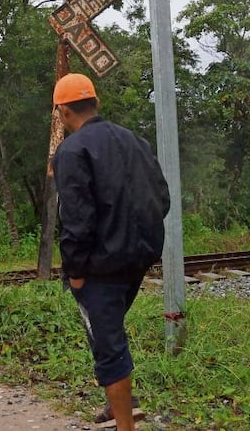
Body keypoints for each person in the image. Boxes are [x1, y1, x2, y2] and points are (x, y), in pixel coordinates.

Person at [51, 73, 170, 431]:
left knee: (108, 344)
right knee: (109, 331)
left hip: (100, 266)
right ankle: (120, 405)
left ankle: (125, 425)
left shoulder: (71, 151)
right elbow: (161, 198)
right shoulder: (135, 140)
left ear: (62, 112)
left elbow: (77, 218)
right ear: (96, 104)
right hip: (138, 258)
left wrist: (74, 269)